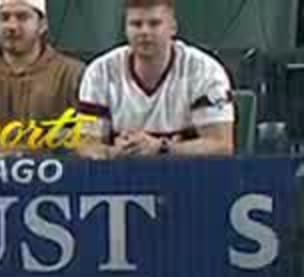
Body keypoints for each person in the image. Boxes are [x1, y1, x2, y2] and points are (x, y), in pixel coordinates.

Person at [75, 0, 233, 159]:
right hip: (119, 172)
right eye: (136, 24)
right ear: (125, 29)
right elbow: (85, 146)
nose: (144, 32)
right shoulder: (100, 72)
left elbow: (221, 146)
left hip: (187, 172)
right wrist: (114, 152)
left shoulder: (205, 71)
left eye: (154, 24)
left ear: (173, 28)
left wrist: (162, 147)